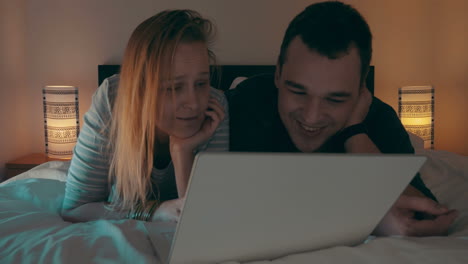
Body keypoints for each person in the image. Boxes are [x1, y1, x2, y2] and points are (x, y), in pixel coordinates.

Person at [226, 1, 458, 236]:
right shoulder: (248, 101)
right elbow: (242, 203)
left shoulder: (379, 118)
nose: (312, 116)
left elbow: (430, 217)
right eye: (298, 92)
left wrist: (354, 134)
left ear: (360, 91)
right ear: (278, 74)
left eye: (335, 99)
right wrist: (372, 220)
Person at [61, 10, 229, 223]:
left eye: (201, 83)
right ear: (140, 89)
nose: (194, 103)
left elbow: (204, 221)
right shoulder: (112, 99)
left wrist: (182, 151)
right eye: (174, 87)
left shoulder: (214, 110)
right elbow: (76, 208)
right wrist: (154, 211)